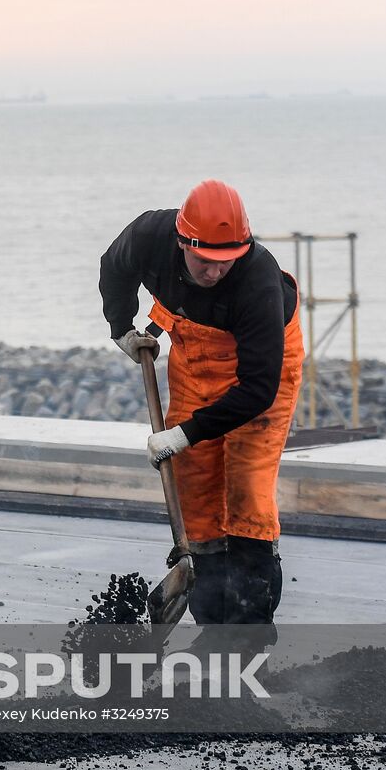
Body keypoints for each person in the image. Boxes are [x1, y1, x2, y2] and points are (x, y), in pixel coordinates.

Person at [100, 179, 303, 625]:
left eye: (226, 263)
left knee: (246, 492)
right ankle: (212, 613)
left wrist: (183, 433)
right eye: (205, 262)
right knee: (194, 486)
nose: (214, 273)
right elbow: (113, 266)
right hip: (195, 357)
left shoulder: (256, 281)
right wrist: (121, 328)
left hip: (259, 373)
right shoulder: (149, 236)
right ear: (181, 241)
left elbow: (257, 389)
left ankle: (249, 625)